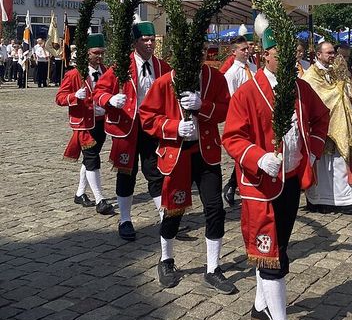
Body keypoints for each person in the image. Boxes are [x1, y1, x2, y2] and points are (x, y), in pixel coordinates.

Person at [222, 18, 329, 320]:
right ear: (266, 53)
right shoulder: (247, 92)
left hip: (292, 178)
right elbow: (232, 137)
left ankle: (261, 306)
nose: (291, 55)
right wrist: (257, 157)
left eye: (295, 50)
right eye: (283, 50)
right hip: (260, 185)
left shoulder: (302, 88)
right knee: (272, 250)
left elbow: (321, 118)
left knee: (277, 246)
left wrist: (312, 149)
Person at [139, 61, 236, 294]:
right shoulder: (164, 83)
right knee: (173, 209)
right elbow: (147, 117)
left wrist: (203, 106)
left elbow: (225, 109)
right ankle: (166, 259)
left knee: (215, 209)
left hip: (206, 154)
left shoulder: (214, 78)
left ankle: (213, 268)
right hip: (177, 154)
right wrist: (173, 127)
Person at [94, 18, 171, 241]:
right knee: (126, 173)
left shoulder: (161, 66)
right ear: (135, 42)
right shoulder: (121, 66)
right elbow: (98, 92)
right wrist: (110, 98)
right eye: (144, 40)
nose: (149, 44)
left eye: (152, 40)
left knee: (155, 172)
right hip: (127, 126)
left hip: (151, 126)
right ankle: (125, 219)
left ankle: (165, 217)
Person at [303, 41, 352, 214]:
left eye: (333, 53)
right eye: (329, 53)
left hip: (337, 122)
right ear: (318, 54)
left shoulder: (331, 71)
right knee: (325, 165)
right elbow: (319, 96)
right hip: (322, 127)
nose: (333, 56)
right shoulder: (311, 75)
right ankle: (319, 200)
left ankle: (343, 198)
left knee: (339, 161)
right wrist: (339, 91)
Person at [55, 33, 115, 215]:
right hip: (83, 124)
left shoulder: (106, 71)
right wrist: (74, 97)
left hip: (102, 121)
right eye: (96, 53)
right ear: (87, 53)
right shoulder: (74, 74)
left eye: (102, 53)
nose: (100, 56)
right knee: (92, 159)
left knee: (90, 158)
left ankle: (80, 193)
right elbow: (59, 98)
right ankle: (100, 199)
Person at [221, 35, 258, 205]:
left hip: (256, 115)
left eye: (246, 48)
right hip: (243, 118)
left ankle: (239, 184)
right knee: (243, 152)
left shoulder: (253, 67)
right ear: (233, 52)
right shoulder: (232, 74)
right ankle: (232, 184)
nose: (246, 52)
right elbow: (230, 100)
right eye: (242, 49)